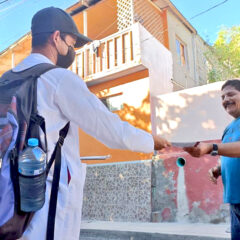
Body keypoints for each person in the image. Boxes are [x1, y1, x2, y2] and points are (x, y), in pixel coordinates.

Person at [15, 7, 171, 240]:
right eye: (71, 43)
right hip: (47, 206)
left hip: (10, 202)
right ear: (56, 37)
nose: (72, 51)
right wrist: (150, 141)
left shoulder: (7, 80)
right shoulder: (58, 79)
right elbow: (111, 129)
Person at [184, 79, 240, 240]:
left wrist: (211, 148)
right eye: (222, 97)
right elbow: (231, 152)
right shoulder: (229, 127)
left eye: (230, 94)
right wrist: (219, 168)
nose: (225, 100)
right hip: (234, 200)